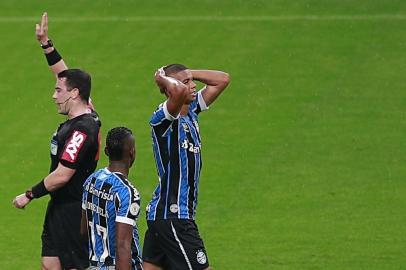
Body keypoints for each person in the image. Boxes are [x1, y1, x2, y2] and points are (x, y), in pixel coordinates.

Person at [12, 12, 101, 270]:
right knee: (49, 263)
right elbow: (64, 73)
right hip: (58, 207)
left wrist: (29, 194)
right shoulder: (88, 109)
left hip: (74, 212)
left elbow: (62, 176)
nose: (54, 96)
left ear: (74, 94)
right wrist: (46, 44)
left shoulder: (81, 131)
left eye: (58, 91)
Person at [142, 64, 230, 270]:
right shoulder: (163, 119)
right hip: (174, 216)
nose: (192, 86)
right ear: (169, 89)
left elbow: (223, 79)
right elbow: (179, 92)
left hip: (166, 216)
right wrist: (163, 79)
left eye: (192, 81)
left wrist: (188, 73)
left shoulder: (191, 112)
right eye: (185, 82)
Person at [81, 127, 143, 270]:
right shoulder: (127, 193)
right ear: (132, 153)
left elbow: (83, 230)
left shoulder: (91, 180)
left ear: (106, 151)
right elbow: (122, 247)